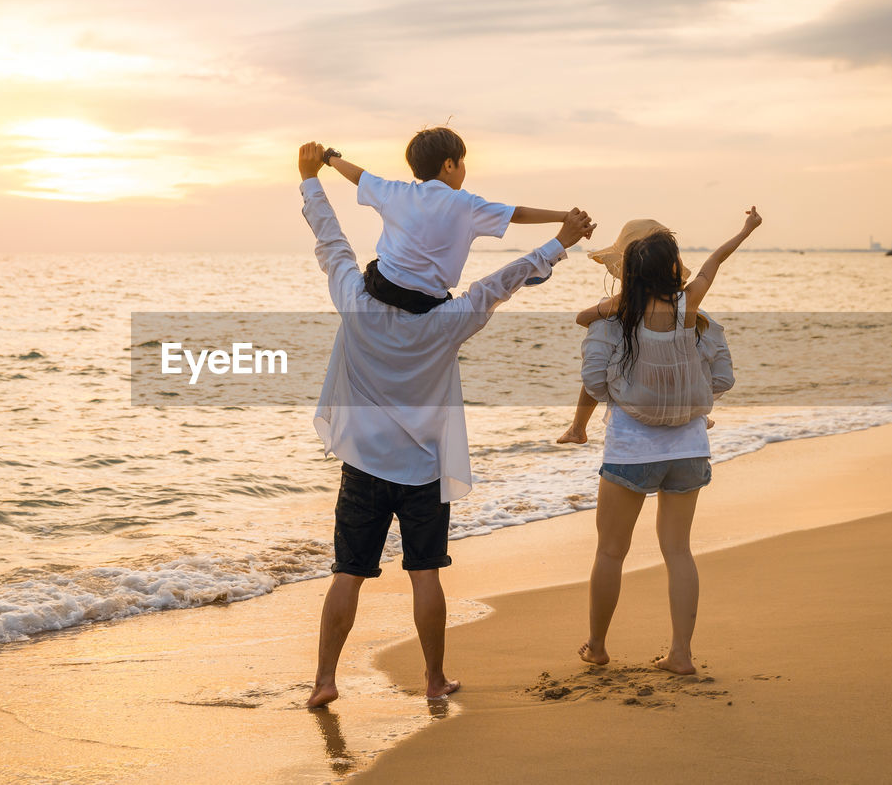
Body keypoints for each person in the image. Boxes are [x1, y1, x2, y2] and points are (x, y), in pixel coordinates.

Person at [295, 142, 595, 707]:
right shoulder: (449, 320)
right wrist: (562, 242)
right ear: (452, 165)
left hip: (363, 464)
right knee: (426, 573)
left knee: (348, 574)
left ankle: (324, 682)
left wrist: (312, 178)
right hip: (424, 468)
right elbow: (503, 281)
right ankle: (433, 680)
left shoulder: (354, 302)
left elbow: (331, 240)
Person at [577, 208, 762, 675]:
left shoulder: (620, 316)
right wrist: (745, 229)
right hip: (689, 449)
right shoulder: (690, 307)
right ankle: (681, 654)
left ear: (629, 274)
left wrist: (610, 306)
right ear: (674, 268)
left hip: (631, 451)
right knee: (678, 550)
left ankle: (597, 646)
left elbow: (596, 380)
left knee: (610, 552)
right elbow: (714, 263)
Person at [319, 127, 584, 313]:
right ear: (449, 165)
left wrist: (329, 157)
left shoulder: (395, 192)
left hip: (381, 287)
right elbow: (518, 213)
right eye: (463, 161)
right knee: (449, 299)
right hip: (426, 303)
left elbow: (359, 177)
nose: (465, 168)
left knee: (379, 264)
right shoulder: (466, 205)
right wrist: (563, 217)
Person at [557, 218, 735, 444]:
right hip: (687, 392)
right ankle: (697, 413)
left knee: (603, 351)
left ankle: (577, 428)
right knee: (696, 345)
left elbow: (582, 319)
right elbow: (722, 376)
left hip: (642, 396)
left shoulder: (625, 302)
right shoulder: (690, 306)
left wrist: (619, 312)